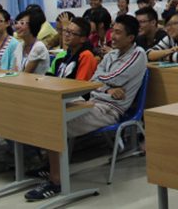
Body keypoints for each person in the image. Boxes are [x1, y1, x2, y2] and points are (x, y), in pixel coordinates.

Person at [25, 15, 147, 201]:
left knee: (54, 124)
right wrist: (109, 88)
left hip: (109, 109)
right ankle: (51, 167)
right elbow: (94, 79)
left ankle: (56, 181)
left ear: (130, 38)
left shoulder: (138, 54)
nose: (112, 36)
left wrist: (103, 83)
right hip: (92, 100)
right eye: (113, 31)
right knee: (47, 111)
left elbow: (115, 77)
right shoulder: (112, 54)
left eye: (118, 32)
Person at [12, 9, 51, 74]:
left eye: (22, 23)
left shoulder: (39, 47)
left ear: (33, 25)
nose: (17, 26)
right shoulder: (20, 45)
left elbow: (26, 74)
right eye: (16, 23)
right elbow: (14, 71)